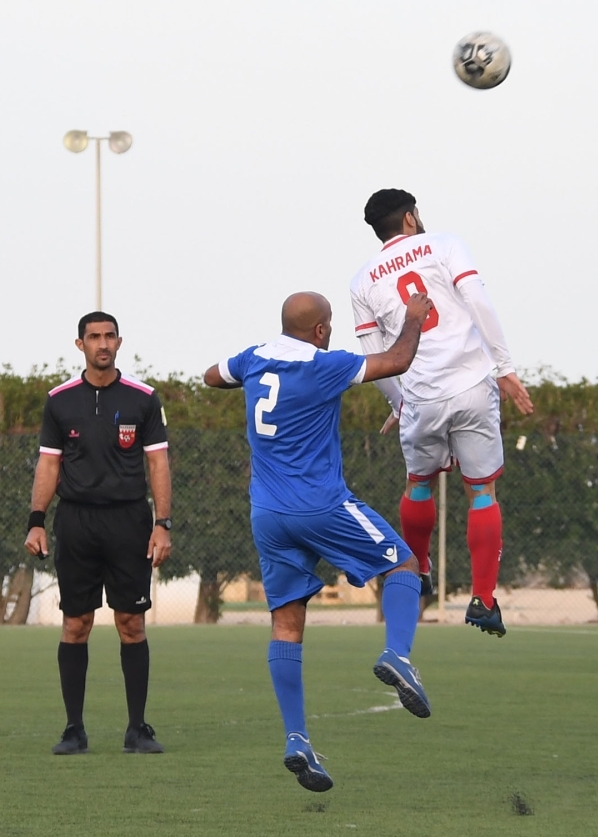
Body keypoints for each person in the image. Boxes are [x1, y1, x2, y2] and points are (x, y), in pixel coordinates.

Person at [203, 290, 435, 793]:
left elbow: (210, 375)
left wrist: (244, 378)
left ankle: (297, 739)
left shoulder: (253, 358)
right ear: (322, 330)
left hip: (267, 515)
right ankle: (397, 653)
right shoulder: (324, 365)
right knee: (403, 564)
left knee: (286, 625)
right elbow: (398, 359)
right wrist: (414, 318)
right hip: (320, 505)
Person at [349, 189, 534, 638]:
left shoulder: (362, 280)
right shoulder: (446, 244)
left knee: (419, 483)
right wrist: (505, 368)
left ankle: (417, 574)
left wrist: (399, 403)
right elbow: (478, 302)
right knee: (482, 491)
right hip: (472, 384)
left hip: (421, 396)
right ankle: (484, 600)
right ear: (410, 218)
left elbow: (374, 354)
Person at [24, 312, 172, 756]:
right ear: (80, 345)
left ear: (119, 342)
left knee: (131, 623)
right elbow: (49, 464)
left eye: (109, 336)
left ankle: (137, 729)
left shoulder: (143, 399)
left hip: (129, 521)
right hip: (76, 523)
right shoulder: (59, 401)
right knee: (76, 624)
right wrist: (36, 519)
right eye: (94, 337)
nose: (102, 344)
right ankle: (74, 729)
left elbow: (158, 463)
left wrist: (162, 525)